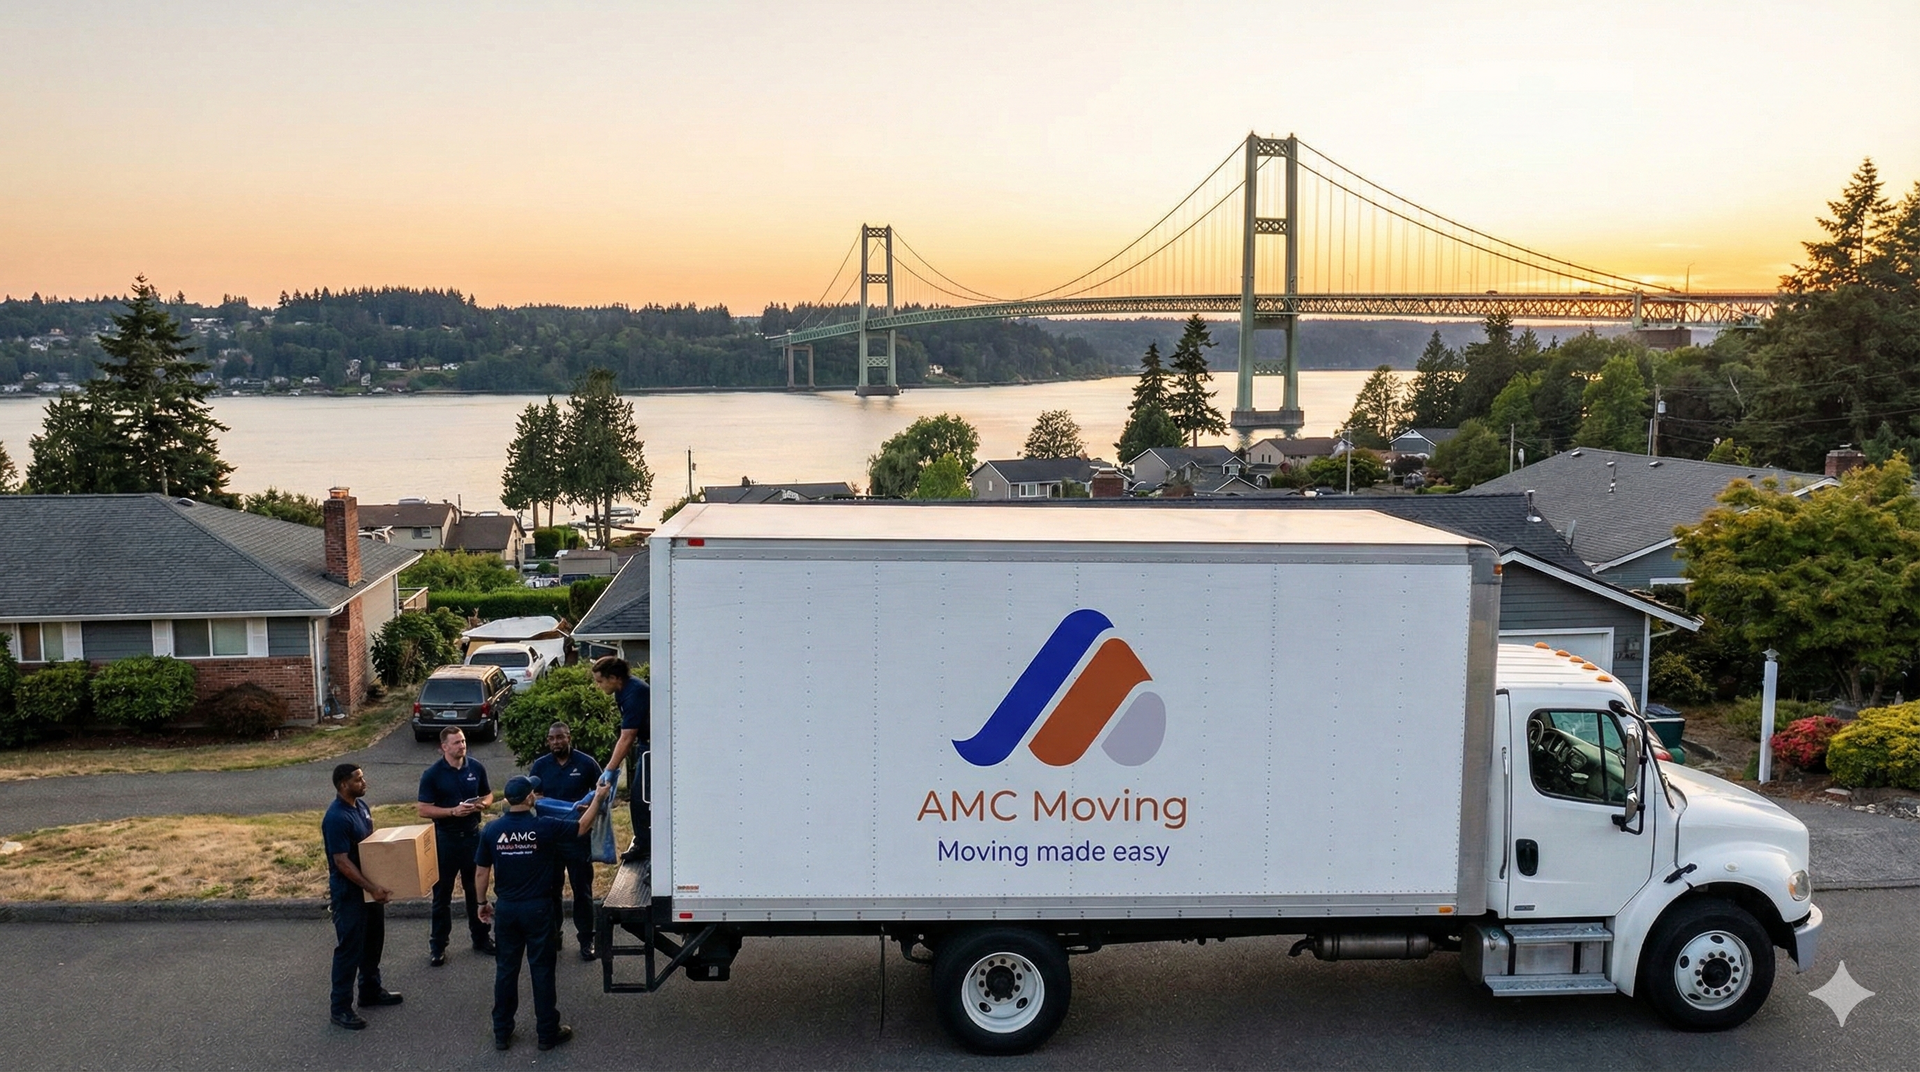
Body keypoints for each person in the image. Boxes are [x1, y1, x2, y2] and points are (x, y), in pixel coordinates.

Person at [476, 774, 611, 1051]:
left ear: (507, 800)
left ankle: (502, 1031)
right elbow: (582, 827)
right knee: (542, 970)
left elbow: (481, 872)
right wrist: (598, 798)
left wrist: (481, 903)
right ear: (529, 798)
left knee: (506, 970)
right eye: (533, 793)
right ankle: (547, 1031)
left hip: (507, 909)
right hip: (538, 908)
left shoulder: (491, 830)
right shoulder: (544, 826)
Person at [322, 763, 402, 1030]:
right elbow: (341, 861)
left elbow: (370, 847)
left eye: (363, 777)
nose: (364, 782)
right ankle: (340, 1008)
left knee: (373, 941)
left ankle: (370, 990)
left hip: (369, 888)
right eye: (358, 779)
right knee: (349, 949)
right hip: (350, 893)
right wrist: (370, 887)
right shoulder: (336, 817)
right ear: (343, 784)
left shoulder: (361, 807)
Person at [417, 726, 494, 965]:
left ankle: (481, 938)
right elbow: (423, 809)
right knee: (442, 896)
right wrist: (452, 811)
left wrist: (483, 804)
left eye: (463, 741)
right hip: (446, 839)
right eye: (456, 743)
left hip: (472, 836)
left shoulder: (476, 768)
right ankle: (438, 946)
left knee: (476, 891)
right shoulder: (432, 774)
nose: (462, 746)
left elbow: (489, 795)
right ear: (444, 747)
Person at [526, 722, 603, 960]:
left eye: (560, 737)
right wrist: (538, 800)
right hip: (549, 838)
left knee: (582, 890)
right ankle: (554, 936)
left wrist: (591, 806)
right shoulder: (540, 765)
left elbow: (604, 791)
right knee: (551, 890)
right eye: (552, 739)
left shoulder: (586, 763)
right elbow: (532, 796)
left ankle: (586, 939)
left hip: (577, 835)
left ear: (569, 737)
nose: (556, 742)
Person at [593, 656, 650, 863]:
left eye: (600, 681)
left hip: (652, 746)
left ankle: (645, 846)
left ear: (614, 678)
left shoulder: (634, 693)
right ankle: (644, 842)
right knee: (641, 796)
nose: (598, 686)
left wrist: (610, 769)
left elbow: (627, 737)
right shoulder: (621, 691)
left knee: (640, 798)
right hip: (645, 744)